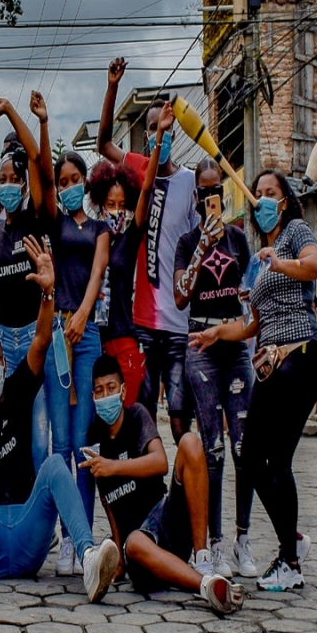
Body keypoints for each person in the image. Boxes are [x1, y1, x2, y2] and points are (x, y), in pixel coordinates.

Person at [0, 236, 121, 603]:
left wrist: (48, 294)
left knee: (56, 465)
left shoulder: (16, 388)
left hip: (29, 535)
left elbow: (42, 341)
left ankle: (89, 558)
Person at [194, 170, 317, 592]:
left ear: (284, 200)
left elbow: (315, 267)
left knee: (264, 455)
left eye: (272, 193)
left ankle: (290, 557)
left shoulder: (294, 233)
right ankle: (293, 543)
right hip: (272, 360)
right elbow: (252, 325)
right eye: (259, 194)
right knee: (260, 460)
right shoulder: (259, 257)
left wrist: (279, 261)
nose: (264, 200)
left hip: (299, 354)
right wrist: (216, 333)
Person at [87, 356, 243, 613]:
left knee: (190, 442)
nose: (106, 395)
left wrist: (113, 466)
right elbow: (107, 500)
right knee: (135, 541)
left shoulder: (136, 416)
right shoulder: (95, 437)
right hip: (141, 553)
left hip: (166, 519)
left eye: (111, 387)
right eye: (100, 390)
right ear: (93, 396)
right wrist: (120, 563)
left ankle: (202, 559)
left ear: (123, 390)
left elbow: (160, 462)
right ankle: (207, 586)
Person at [98, 59, 199, 443]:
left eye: (168, 127)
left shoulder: (190, 183)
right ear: (147, 132)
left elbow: (195, 250)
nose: (163, 132)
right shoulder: (139, 170)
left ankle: (182, 495)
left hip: (178, 323)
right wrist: (112, 87)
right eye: (155, 127)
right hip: (140, 324)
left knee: (178, 421)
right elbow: (104, 142)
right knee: (141, 416)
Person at [172, 147, 254, 578]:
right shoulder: (188, 242)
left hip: (235, 344)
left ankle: (243, 539)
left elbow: (250, 292)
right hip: (201, 347)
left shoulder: (239, 239)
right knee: (214, 448)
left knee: (244, 446)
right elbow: (180, 295)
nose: (210, 199)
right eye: (203, 193)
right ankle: (216, 544)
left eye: (216, 191)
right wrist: (203, 243)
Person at [46, 145, 111, 575]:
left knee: (87, 443)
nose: (68, 188)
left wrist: (84, 315)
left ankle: (84, 538)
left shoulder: (101, 227)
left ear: (85, 183)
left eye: (74, 180)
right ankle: (66, 539)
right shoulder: (55, 224)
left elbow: (98, 273)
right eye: (61, 182)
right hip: (56, 334)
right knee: (62, 443)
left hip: (87, 335)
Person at [0, 95, 54, 471]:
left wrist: (13, 110)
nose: (9, 186)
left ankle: (43, 525)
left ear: (25, 186)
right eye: (2, 181)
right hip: (3, 345)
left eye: (15, 180)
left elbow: (38, 160)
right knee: (5, 433)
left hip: (32, 339)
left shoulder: (34, 219)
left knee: (39, 437)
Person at [87, 160, 145, 407]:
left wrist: (159, 140)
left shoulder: (129, 239)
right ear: (100, 205)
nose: (116, 211)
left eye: (122, 205)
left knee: (127, 412)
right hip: (93, 341)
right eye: (110, 205)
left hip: (124, 338)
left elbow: (148, 190)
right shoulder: (89, 240)